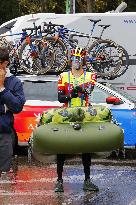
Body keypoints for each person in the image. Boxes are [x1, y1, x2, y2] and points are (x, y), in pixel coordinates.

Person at [55, 46, 99, 192]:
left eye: (79, 59)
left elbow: (89, 90)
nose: (76, 61)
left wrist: (77, 89)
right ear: (70, 59)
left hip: (84, 114)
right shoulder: (63, 76)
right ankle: (59, 181)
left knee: (86, 149)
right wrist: (70, 95)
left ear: (83, 60)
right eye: (74, 58)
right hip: (67, 113)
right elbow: (60, 98)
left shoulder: (90, 75)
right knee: (61, 148)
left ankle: (87, 180)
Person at [0, 47, 25, 177]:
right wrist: (4, 108)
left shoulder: (14, 82)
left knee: (4, 174)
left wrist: (2, 89)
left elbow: (17, 107)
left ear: (6, 63)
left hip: (4, 133)